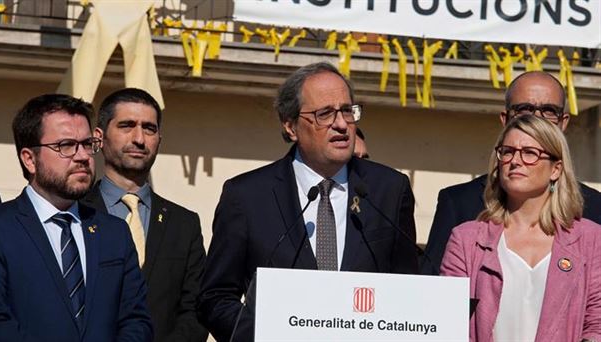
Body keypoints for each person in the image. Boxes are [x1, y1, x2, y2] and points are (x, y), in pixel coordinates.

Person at [197, 62, 418, 341]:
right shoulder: (247, 196)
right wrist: (265, 334)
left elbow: (409, 290)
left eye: (347, 111)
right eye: (324, 114)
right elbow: (215, 297)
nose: (341, 124)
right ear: (290, 126)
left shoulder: (389, 189)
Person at [0, 94, 152, 341]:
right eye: (65, 145)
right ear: (29, 159)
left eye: (87, 144)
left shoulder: (114, 233)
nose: (83, 157)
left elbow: (135, 321)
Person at [423, 71, 601, 275]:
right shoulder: (459, 203)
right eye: (524, 109)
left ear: (564, 122)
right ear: (505, 118)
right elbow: (436, 290)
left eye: (549, 110)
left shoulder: (595, 210)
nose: (535, 118)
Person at [441, 114, 601, 341]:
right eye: (507, 152)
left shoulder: (591, 239)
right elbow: (449, 323)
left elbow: (597, 323)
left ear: (556, 169)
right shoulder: (466, 240)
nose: (515, 161)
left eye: (530, 153)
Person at [81, 88, 208, 342]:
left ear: (160, 138)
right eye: (127, 126)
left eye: (149, 128)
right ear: (99, 136)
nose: (139, 138)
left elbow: (196, 309)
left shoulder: (184, 224)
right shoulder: (74, 213)